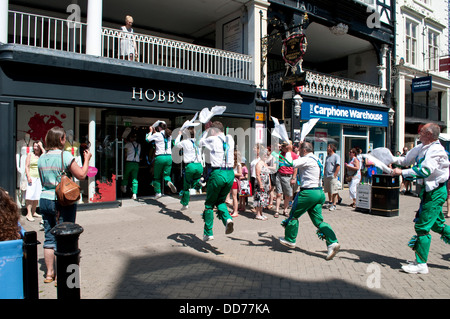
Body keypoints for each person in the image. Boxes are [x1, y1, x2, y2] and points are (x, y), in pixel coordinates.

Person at [391, 123, 450, 274]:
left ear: (429, 135)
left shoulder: (436, 150)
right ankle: (420, 260)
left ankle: (421, 264)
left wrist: (402, 173)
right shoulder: (422, 147)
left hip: (435, 191)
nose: (419, 134)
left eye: (422, 132)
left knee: (422, 227)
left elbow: (425, 170)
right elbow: (405, 161)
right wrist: (390, 158)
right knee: (437, 226)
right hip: (429, 191)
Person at [38, 127, 92, 284]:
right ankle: (63, 276)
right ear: (61, 140)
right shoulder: (65, 156)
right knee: (65, 237)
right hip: (63, 200)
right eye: (64, 138)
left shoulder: (42, 157)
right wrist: (87, 158)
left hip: (45, 199)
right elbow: (81, 175)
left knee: (49, 237)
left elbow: (43, 181)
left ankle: (49, 273)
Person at [278, 142, 340, 260]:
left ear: (304, 150)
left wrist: (290, 150)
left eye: (300, 150)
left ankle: (290, 239)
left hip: (308, 192)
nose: (299, 152)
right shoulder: (316, 158)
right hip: (319, 193)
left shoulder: (306, 159)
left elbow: (290, 163)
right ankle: (332, 242)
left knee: (293, 215)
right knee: (318, 221)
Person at [198, 121, 234, 241]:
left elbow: (199, 143)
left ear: (213, 131)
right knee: (220, 201)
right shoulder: (230, 138)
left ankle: (208, 233)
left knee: (209, 204)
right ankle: (228, 219)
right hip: (230, 173)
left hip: (218, 173)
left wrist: (206, 131)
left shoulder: (212, 139)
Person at [173, 126, 203, 210]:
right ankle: (199, 183)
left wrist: (179, 135)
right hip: (199, 165)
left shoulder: (185, 142)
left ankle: (185, 204)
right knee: (195, 181)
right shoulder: (198, 141)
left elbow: (176, 144)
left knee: (186, 186)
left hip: (190, 166)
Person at [146, 121, 177, 199]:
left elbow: (147, 139)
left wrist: (150, 132)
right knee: (166, 174)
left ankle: (158, 192)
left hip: (160, 157)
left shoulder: (157, 135)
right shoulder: (170, 135)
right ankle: (168, 181)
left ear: (159, 127)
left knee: (157, 176)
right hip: (169, 157)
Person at [274, 141, 298, 217]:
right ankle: (277, 210)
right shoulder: (280, 154)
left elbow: (295, 168)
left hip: (288, 176)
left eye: (283, 146)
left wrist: (293, 178)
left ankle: (285, 210)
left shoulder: (294, 155)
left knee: (287, 195)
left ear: (288, 147)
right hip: (279, 175)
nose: (282, 148)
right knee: (278, 193)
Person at [24, 141, 45, 221]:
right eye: (35, 146)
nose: (36, 148)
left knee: (37, 195)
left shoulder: (41, 155)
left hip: (39, 178)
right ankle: (28, 213)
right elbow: (26, 166)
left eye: (38, 146)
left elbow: (45, 155)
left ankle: (34, 212)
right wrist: (28, 176)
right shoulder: (30, 155)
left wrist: (42, 147)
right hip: (32, 177)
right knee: (30, 195)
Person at [121, 132, 141, 200]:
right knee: (135, 179)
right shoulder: (139, 145)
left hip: (129, 162)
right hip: (136, 163)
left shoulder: (128, 144)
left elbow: (125, 153)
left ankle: (124, 187)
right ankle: (134, 194)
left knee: (126, 176)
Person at [253, 145, 271, 220]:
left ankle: (261, 213)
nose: (266, 156)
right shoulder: (259, 163)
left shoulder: (265, 163)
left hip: (265, 184)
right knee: (259, 198)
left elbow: (268, 174)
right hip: (260, 183)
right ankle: (258, 214)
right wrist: (260, 184)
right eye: (265, 155)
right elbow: (257, 174)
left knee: (263, 198)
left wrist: (269, 183)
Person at [323, 144, 340, 211]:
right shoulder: (327, 157)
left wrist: (335, 174)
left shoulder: (336, 156)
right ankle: (330, 202)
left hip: (332, 176)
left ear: (332, 148)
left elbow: (338, 166)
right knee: (328, 190)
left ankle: (334, 204)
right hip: (327, 176)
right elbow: (325, 166)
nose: (327, 148)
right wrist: (324, 173)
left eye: (328, 147)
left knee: (334, 190)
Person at [230, 150, 242, 217]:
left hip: (235, 181)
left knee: (234, 197)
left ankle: (235, 211)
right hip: (232, 180)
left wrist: (232, 174)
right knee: (233, 196)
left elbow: (240, 173)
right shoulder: (232, 163)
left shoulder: (238, 164)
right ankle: (234, 210)